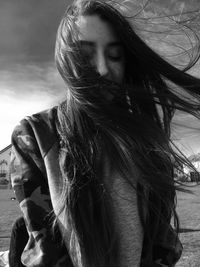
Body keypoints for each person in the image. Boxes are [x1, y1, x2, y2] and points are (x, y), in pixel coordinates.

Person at [10, 0, 200, 266]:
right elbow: (46, 253)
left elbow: (161, 244)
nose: (102, 69)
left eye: (114, 55)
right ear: (65, 59)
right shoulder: (34, 137)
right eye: (86, 54)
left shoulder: (148, 141)